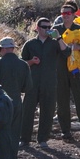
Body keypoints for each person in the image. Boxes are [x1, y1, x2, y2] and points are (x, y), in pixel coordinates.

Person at [0, 36, 32, 159]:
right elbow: (28, 87)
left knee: (0, 137)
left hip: (0, 104)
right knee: (14, 136)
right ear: (13, 49)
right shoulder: (23, 65)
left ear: (2, 49)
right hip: (17, 103)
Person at [53, 5, 80, 142]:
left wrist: (79, 47)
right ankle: (66, 132)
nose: (65, 15)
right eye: (63, 13)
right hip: (60, 69)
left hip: (77, 69)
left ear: (74, 15)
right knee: (62, 101)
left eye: (68, 13)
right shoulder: (56, 30)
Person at [21, 19, 59, 148]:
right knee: (27, 110)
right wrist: (31, 61)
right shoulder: (30, 44)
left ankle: (43, 139)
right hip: (32, 82)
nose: (47, 29)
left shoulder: (54, 43)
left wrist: (59, 38)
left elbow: (67, 53)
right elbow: (22, 64)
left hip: (49, 82)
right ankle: (25, 139)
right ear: (38, 28)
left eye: (49, 26)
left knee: (47, 111)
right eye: (44, 27)